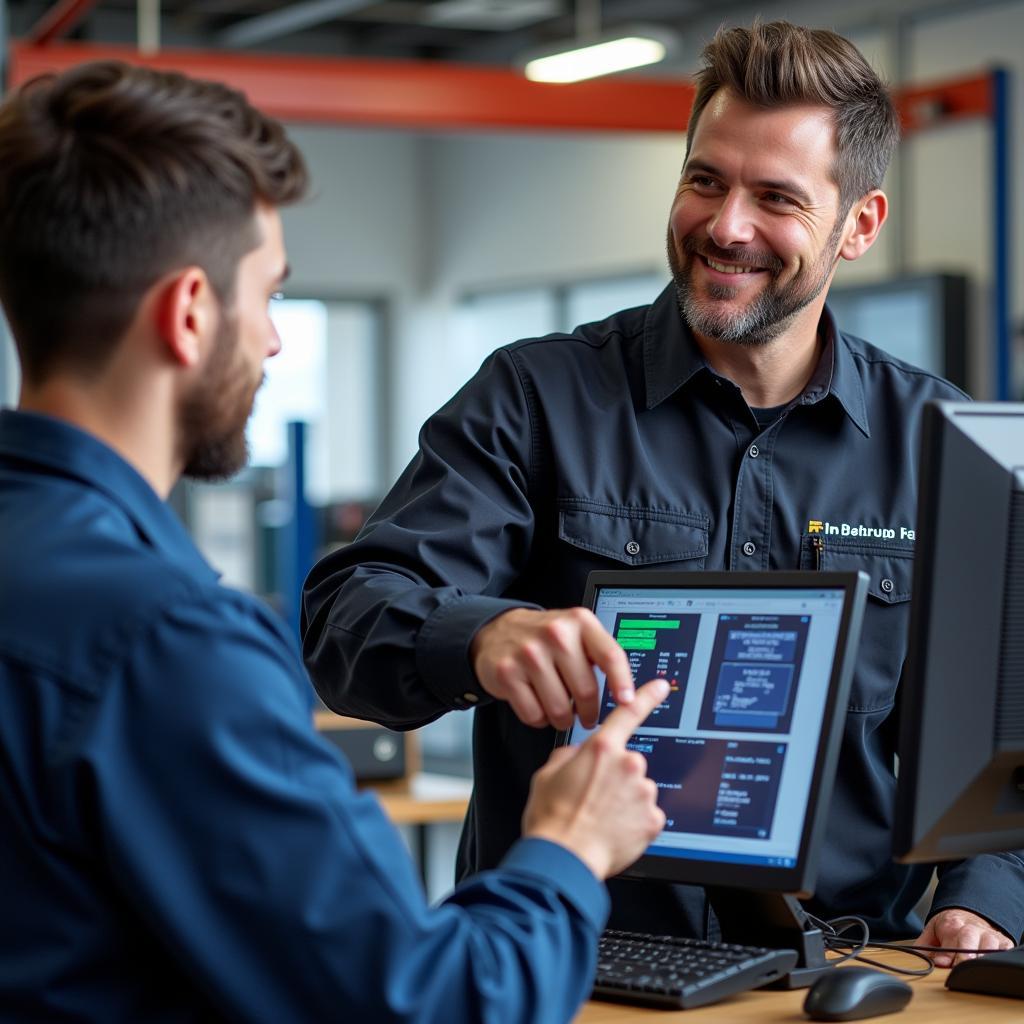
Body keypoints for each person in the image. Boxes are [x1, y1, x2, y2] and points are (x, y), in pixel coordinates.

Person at [303, 19, 1024, 966]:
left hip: (836, 975)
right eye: (705, 180)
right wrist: (480, 636)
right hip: (571, 966)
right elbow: (345, 619)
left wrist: (987, 898)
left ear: (861, 224)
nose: (727, 226)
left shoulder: (940, 445)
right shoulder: (535, 397)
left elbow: (999, 746)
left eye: (776, 198)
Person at [0, 60, 671, 1022]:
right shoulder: (169, 642)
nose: (273, 342)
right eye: (268, 296)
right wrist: (568, 847)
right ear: (189, 314)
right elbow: (429, 1006)